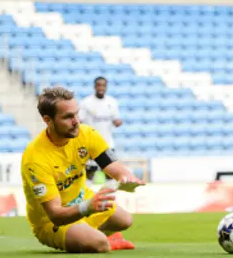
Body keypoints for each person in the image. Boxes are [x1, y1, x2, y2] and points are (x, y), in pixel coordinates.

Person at [21, 86, 145, 253]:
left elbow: (112, 165)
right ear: (47, 120)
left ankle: (91, 234)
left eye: (76, 114)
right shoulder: (35, 159)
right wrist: (87, 207)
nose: (77, 121)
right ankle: (101, 239)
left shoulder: (86, 134)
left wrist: (126, 178)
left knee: (124, 220)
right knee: (99, 245)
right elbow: (55, 215)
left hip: (82, 200)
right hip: (50, 222)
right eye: (68, 117)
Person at [79, 77, 123, 185]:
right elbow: (79, 121)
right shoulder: (86, 102)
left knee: (110, 173)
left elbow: (116, 119)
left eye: (103, 85)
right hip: (91, 144)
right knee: (90, 173)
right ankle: (88, 199)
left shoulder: (112, 102)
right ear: (94, 86)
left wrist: (117, 122)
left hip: (107, 144)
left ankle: (110, 199)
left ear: (106, 87)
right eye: (98, 85)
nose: (101, 88)